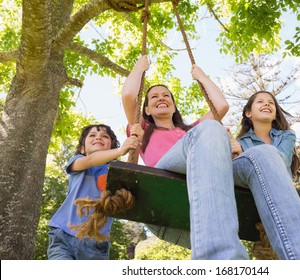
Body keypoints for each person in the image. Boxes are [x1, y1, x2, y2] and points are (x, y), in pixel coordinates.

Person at [122, 55, 249, 260]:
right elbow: (129, 95)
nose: (161, 98)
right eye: (154, 97)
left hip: (197, 203)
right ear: (146, 109)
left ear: (173, 106)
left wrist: (201, 76)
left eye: (166, 95)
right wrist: (139, 68)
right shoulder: (144, 129)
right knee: (209, 128)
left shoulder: (192, 131)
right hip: (164, 184)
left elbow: (221, 106)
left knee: (212, 130)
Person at [229, 90, 300, 260]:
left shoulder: (287, 136)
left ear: (275, 114)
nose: (267, 104)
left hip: (282, 199)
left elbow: (280, 162)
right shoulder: (239, 143)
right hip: (250, 199)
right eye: (260, 102)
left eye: (271, 103)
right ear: (248, 113)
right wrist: (234, 153)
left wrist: (246, 153)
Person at [47, 124, 139, 260]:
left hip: (95, 242)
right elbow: (90, 160)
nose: (98, 138)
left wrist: (137, 141)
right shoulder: (77, 162)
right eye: (92, 135)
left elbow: (132, 173)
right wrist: (120, 151)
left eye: (105, 136)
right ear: (83, 149)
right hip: (63, 236)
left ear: (111, 148)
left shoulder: (113, 173)